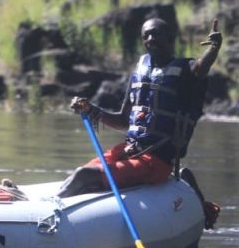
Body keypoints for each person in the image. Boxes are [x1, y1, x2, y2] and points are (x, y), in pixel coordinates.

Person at [58, 18, 222, 208]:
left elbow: (201, 68)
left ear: (170, 38)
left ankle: (47, 213)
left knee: (84, 176)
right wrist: (91, 110)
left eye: (155, 34)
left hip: (156, 162)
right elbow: (123, 121)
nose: (150, 39)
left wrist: (214, 48)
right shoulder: (141, 71)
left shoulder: (186, 71)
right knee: (83, 173)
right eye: (146, 36)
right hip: (128, 152)